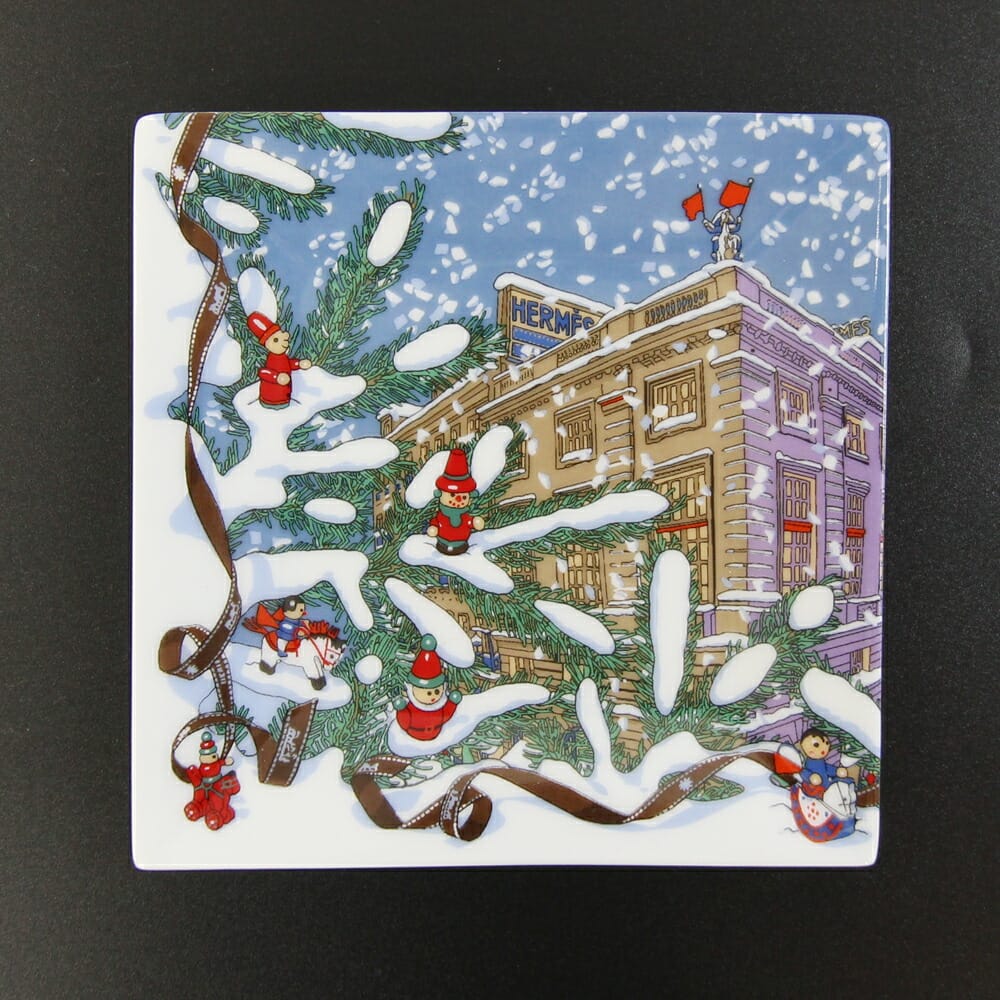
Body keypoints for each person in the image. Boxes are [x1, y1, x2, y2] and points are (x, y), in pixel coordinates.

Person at [393, 635, 463, 741]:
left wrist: (452, 703)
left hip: (437, 739)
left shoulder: (439, 707)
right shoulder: (413, 709)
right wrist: (402, 710)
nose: (433, 696)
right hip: (412, 740)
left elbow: (446, 715)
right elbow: (405, 723)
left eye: (436, 691)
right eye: (428, 693)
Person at [247, 311, 312, 408]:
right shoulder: (271, 359)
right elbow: (263, 372)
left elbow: (289, 364)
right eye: (276, 340)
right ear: (267, 344)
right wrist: (276, 377)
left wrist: (299, 364)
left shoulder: (283, 357)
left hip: (285, 400)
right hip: (270, 400)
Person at [426, 448, 485, 555]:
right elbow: (436, 521)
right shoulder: (442, 515)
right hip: (442, 544)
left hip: (462, 545)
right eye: (452, 495)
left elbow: (469, 522)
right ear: (440, 494)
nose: (458, 500)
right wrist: (434, 528)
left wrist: (475, 522)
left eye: (463, 497)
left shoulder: (465, 516)